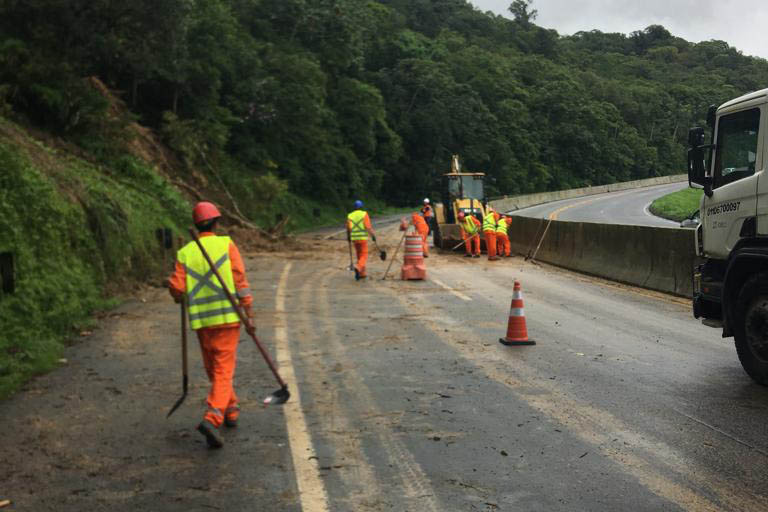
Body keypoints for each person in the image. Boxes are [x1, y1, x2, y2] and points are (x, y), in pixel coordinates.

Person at [167, 201, 253, 449]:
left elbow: (176, 287)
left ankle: (231, 409)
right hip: (227, 318)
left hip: (203, 322)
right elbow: (240, 280)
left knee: (215, 369)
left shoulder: (186, 252)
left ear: (195, 224)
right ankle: (213, 417)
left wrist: (176, 295)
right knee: (223, 370)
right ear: (216, 222)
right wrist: (248, 311)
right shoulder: (226, 244)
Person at [347, 200, 377, 280]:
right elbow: (368, 227)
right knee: (364, 255)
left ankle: (361, 273)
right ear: (361, 207)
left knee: (359, 255)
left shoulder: (350, 215)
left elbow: (349, 228)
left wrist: (349, 237)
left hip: (354, 239)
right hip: (362, 238)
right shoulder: (364, 214)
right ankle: (358, 267)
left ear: (354, 207)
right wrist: (373, 235)